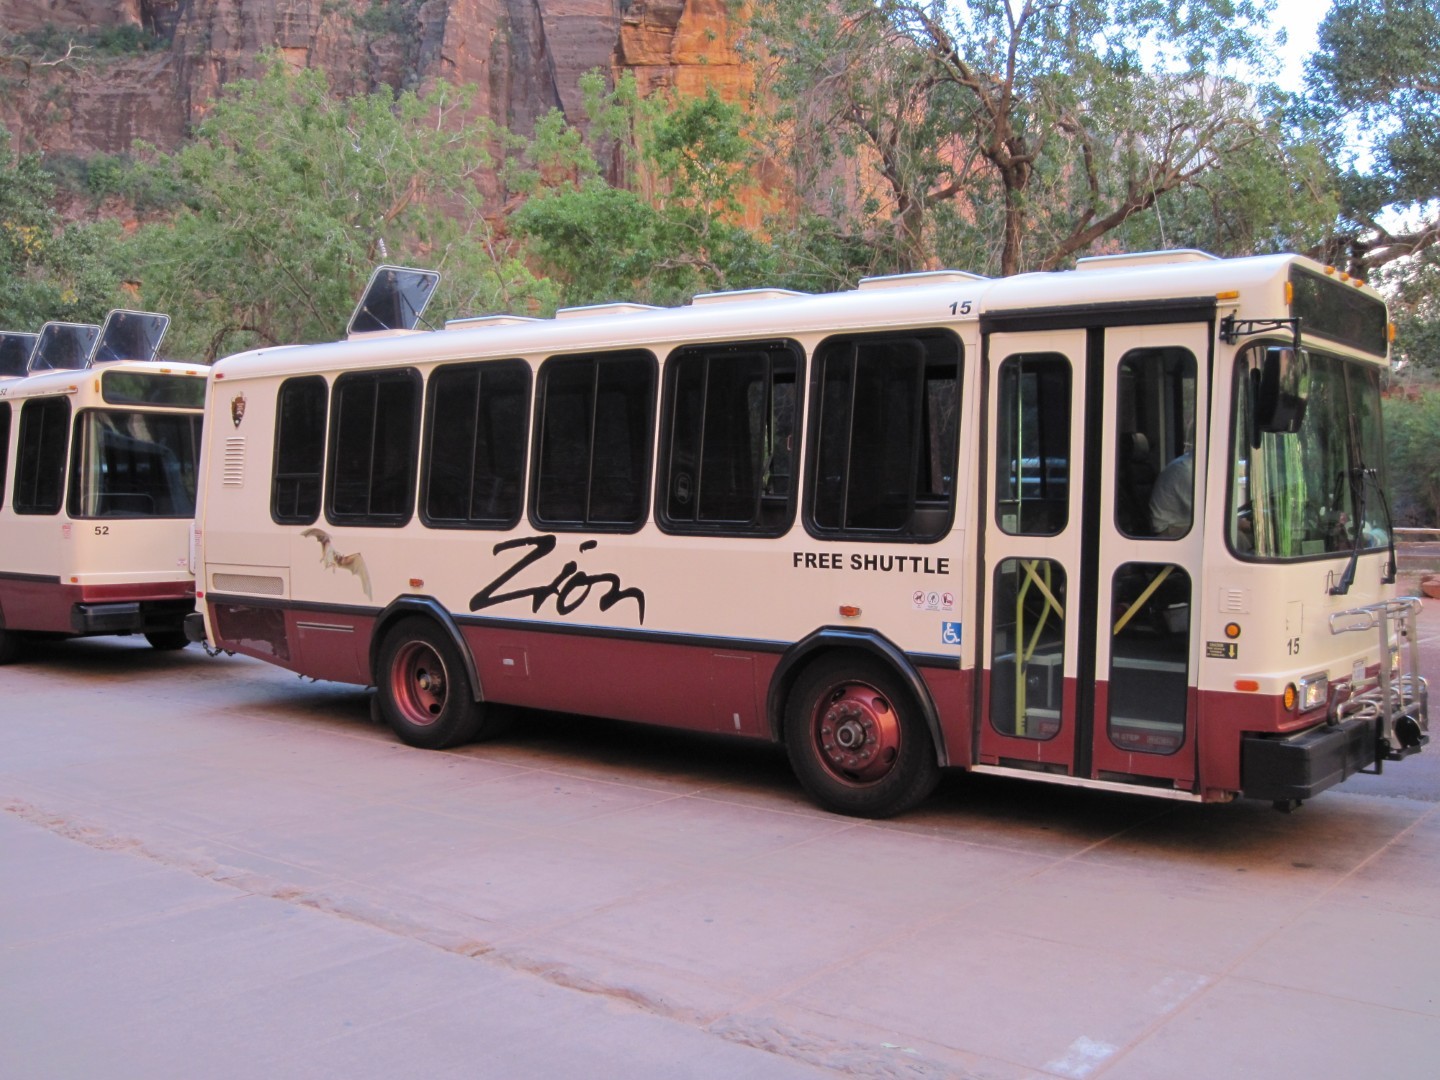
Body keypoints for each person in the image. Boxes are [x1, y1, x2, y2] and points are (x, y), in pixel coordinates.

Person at [1149, 450, 1193, 537]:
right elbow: (1204, 513)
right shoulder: (1186, 470)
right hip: (1167, 529)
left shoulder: (1189, 464)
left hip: (1182, 523)